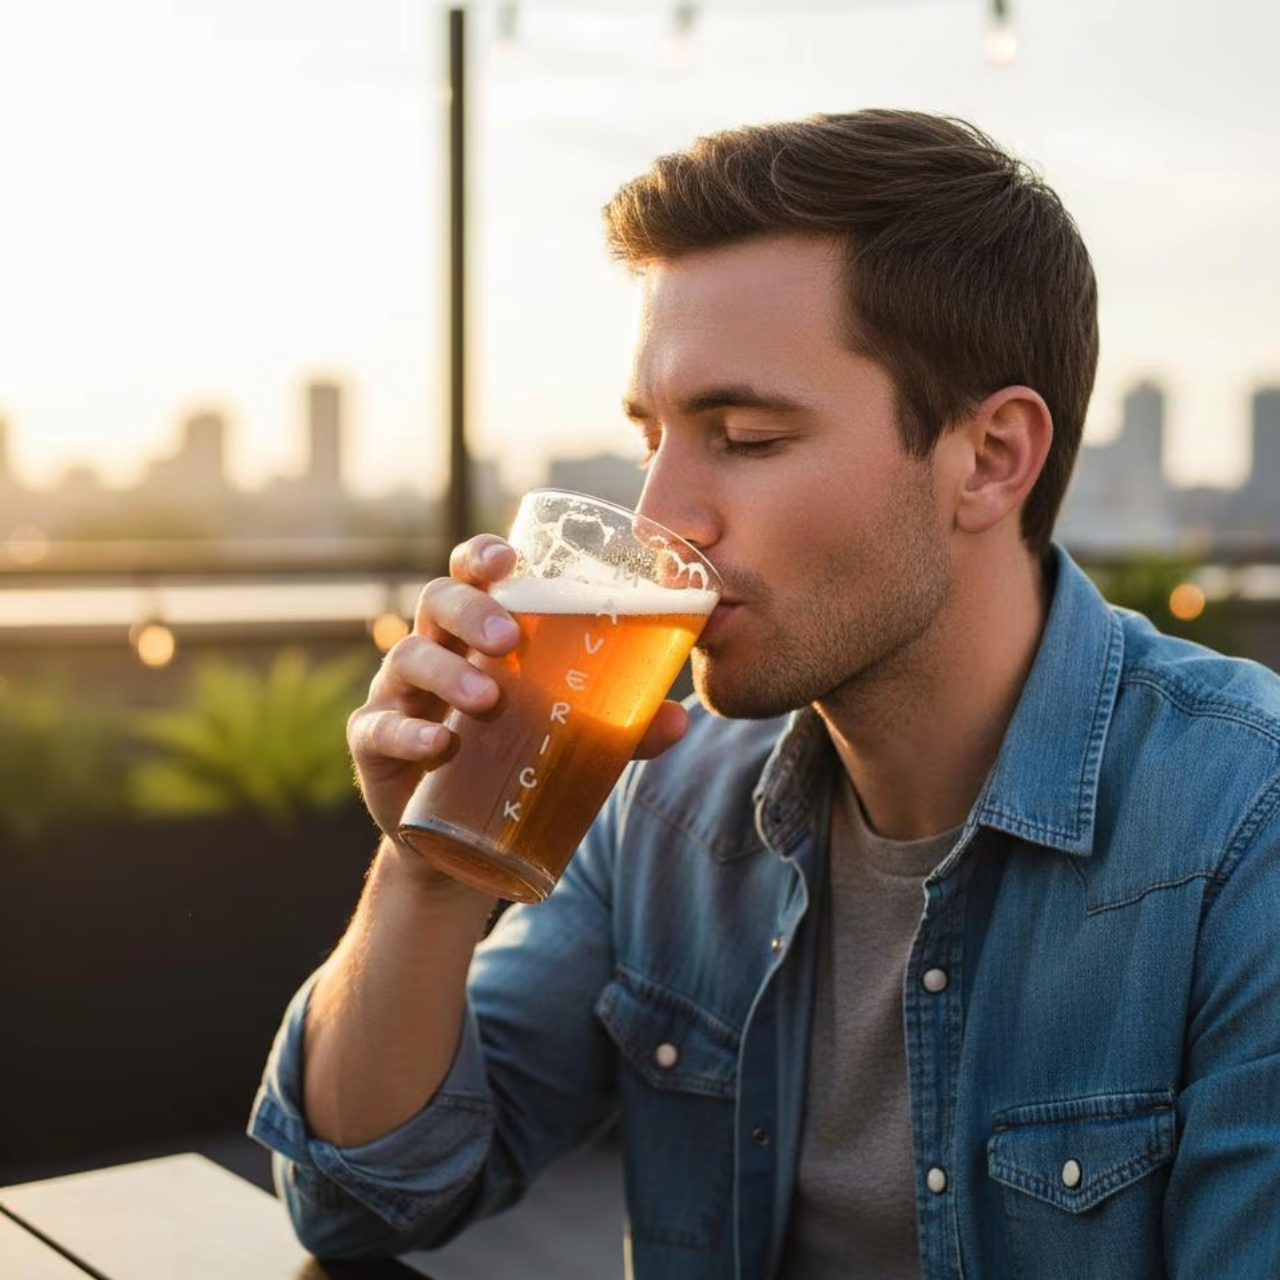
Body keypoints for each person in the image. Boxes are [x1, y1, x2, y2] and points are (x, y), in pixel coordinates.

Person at [249, 110, 1280, 1278]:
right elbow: (356, 1201)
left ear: (990, 457)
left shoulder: (1240, 827)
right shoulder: (667, 795)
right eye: (650, 438)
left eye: (742, 436)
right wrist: (431, 868)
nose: (659, 519)